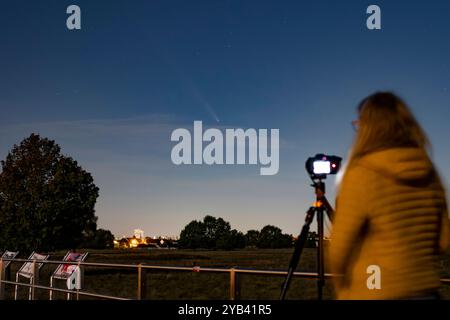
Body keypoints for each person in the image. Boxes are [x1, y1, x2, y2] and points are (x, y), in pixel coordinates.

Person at [329, 92, 450, 299]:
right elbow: (444, 240)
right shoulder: (429, 171)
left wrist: (345, 289)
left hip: (374, 291)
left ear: (367, 127)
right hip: (425, 291)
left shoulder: (363, 172)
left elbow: (339, 248)